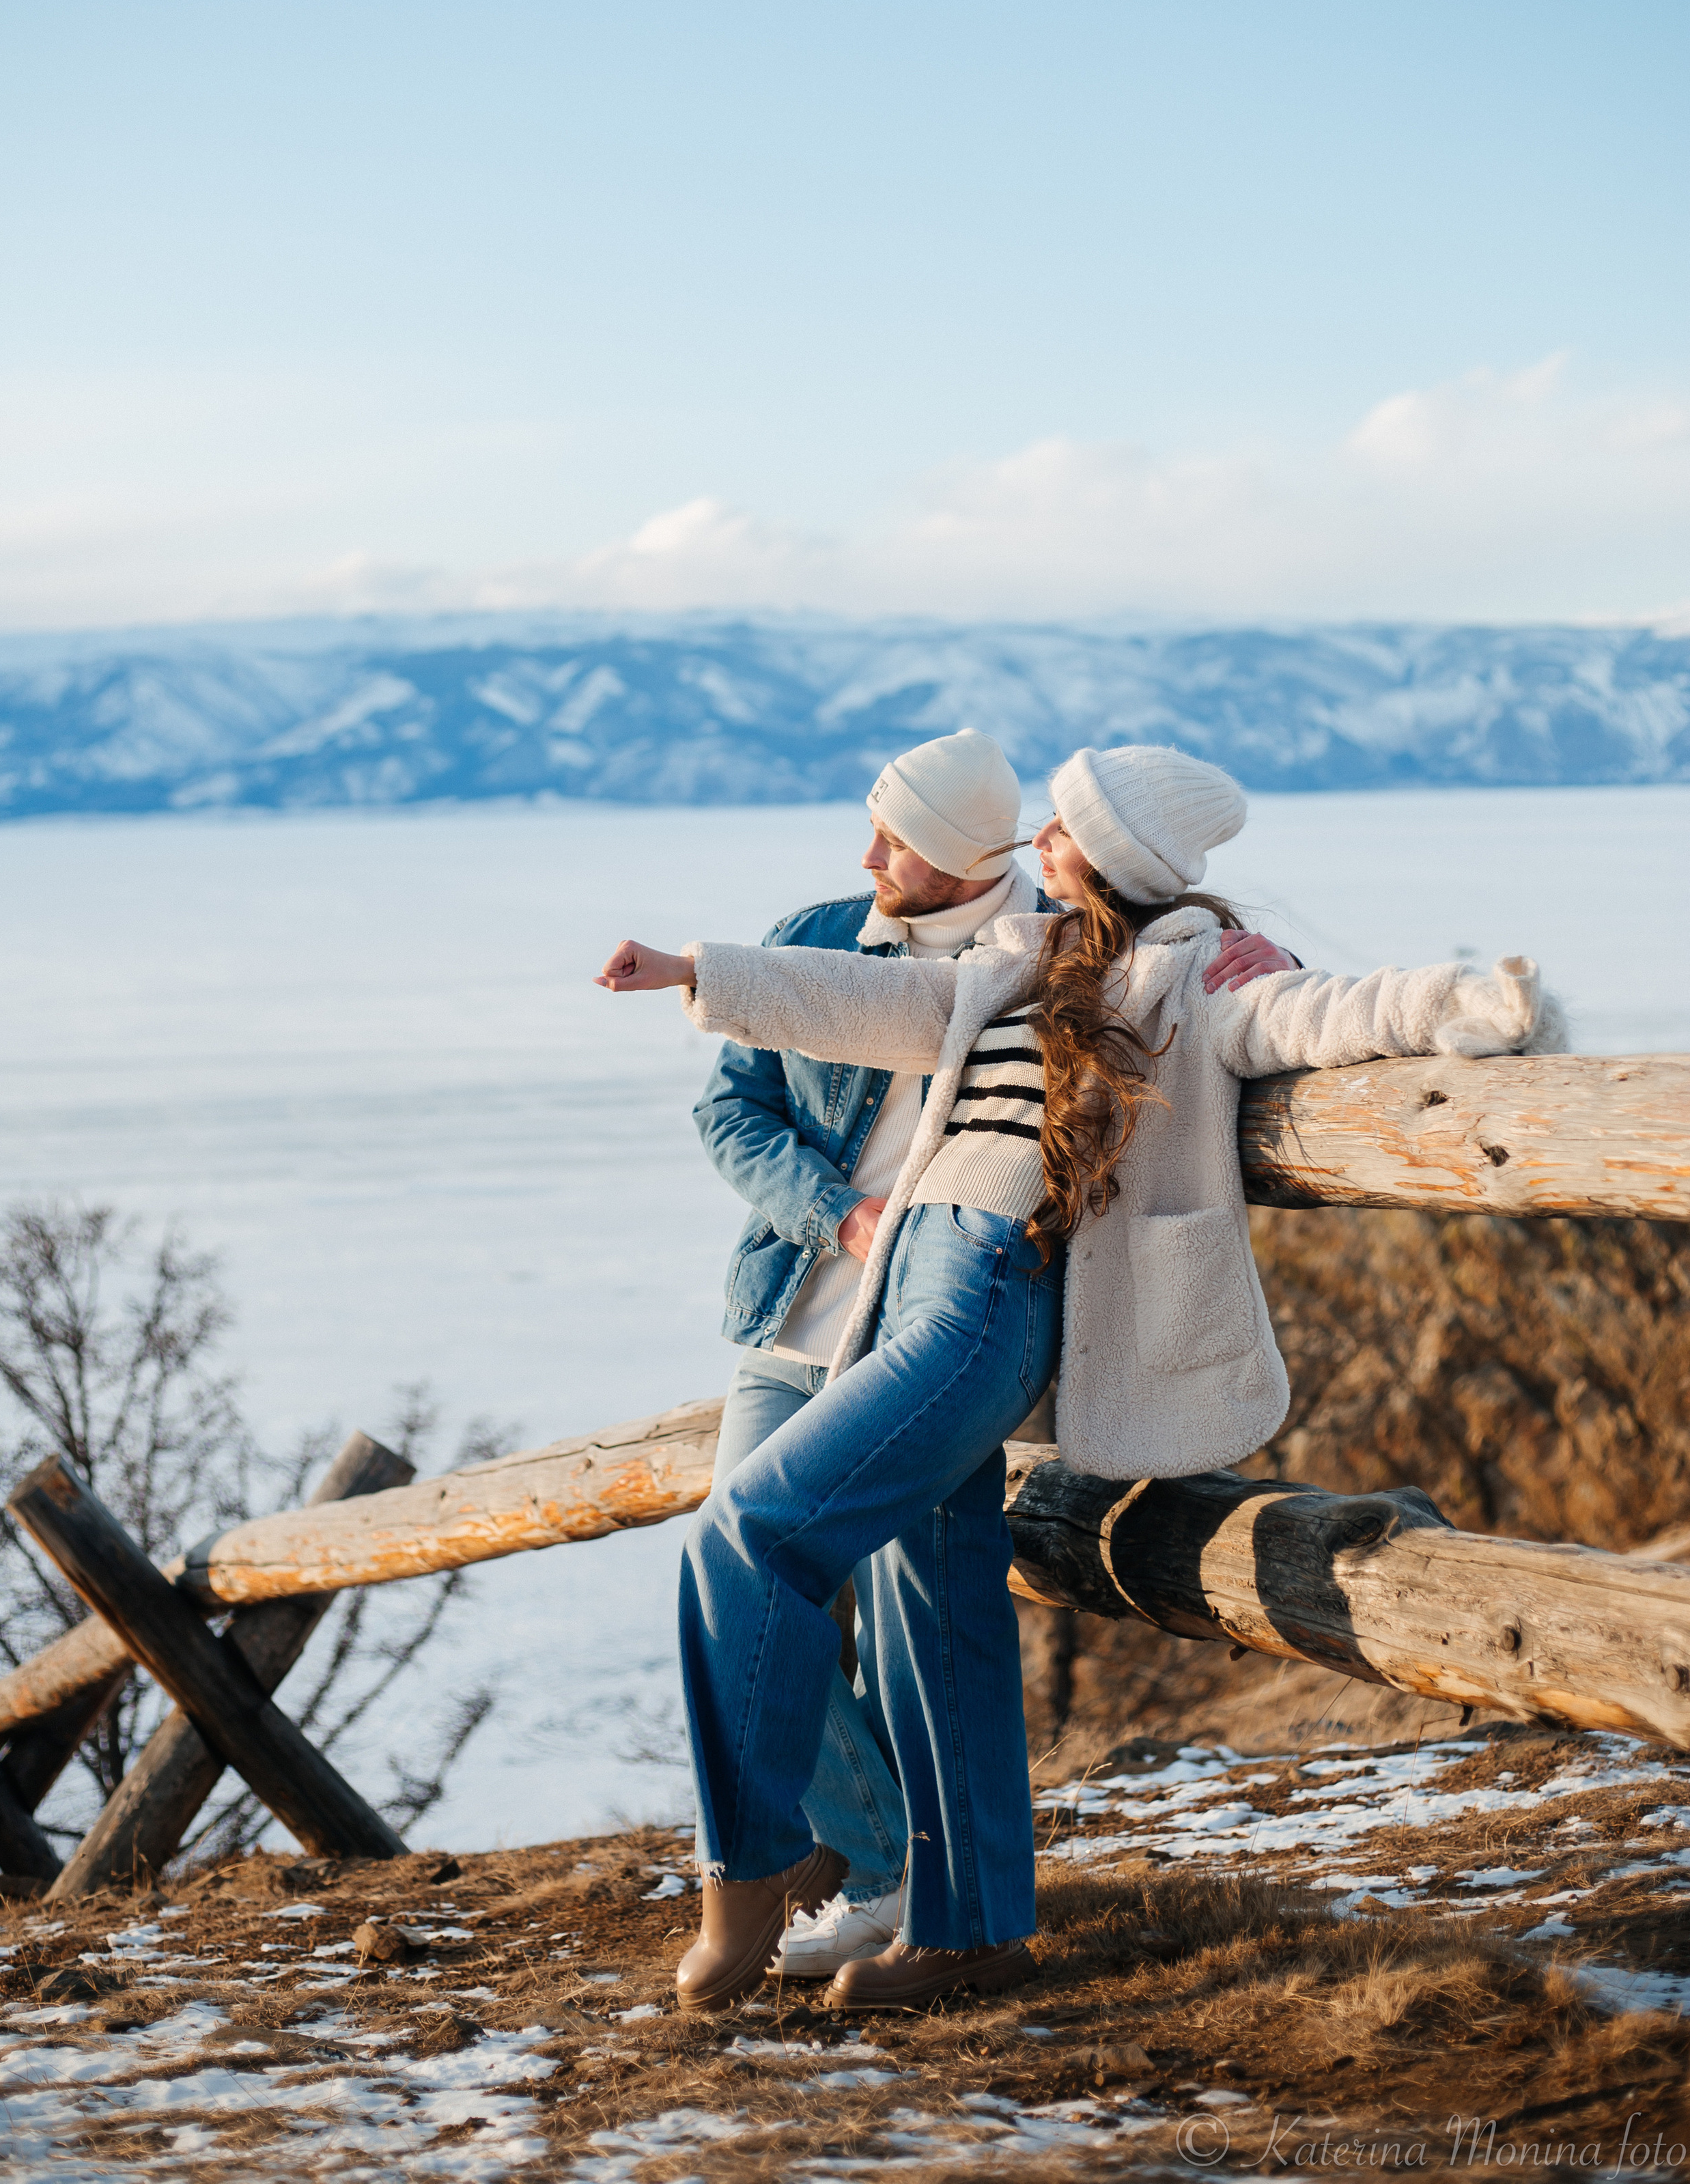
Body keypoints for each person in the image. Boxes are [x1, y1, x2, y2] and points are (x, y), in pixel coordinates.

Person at [597, 743, 1564, 2014]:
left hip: (988, 1287)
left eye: (1062, 822)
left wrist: (1481, 1005)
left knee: (749, 1536)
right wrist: (697, 974)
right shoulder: (1031, 955)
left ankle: (752, 1871)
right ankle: (970, 1932)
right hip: (898, 1280)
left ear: (1116, 850)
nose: (1038, 837)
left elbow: (1328, 1013)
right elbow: (880, 1004)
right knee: (940, 1603)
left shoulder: (1200, 969)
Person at [690, 729, 1297, 1978]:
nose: (868, 859)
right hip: (831, 1300)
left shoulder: (1103, 952)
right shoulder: (908, 939)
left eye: (896, 838)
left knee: (835, 1564)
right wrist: (701, 980)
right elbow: (764, 1082)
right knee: (833, 1571)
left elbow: (1271, 1007)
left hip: (970, 1291)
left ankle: (850, 1892)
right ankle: (917, 1894)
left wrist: (1287, 964)